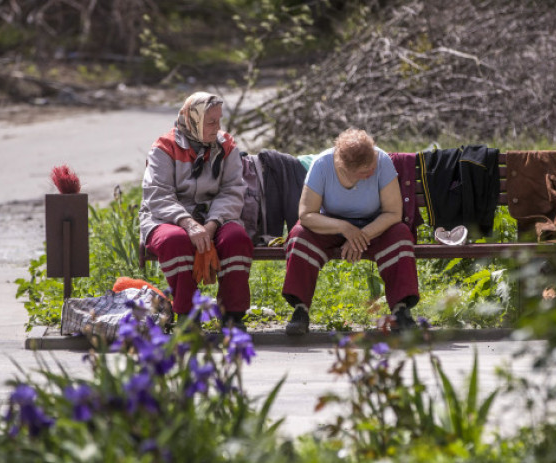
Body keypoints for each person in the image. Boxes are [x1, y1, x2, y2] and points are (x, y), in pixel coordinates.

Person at [281, 128, 420, 335]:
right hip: (331, 225)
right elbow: (307, 215)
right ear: (344, 168)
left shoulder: (382, 161)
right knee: (300, 235)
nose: (371, 172)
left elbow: (393, 213)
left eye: (372, 166)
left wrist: (360, 236)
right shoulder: (322, 165)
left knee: (400, 233)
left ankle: (401, 310)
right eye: (365, 172)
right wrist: (345, 228)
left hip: (375, 226)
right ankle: (300, 310)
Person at [139, 91, 253, 329]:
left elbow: (233, 190)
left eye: (219, 120)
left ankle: (232, 315)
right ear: (193, 120)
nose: (217, 127)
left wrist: (211, 225)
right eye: (211, 122)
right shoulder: (164, 147)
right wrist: (188, 223)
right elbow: (157, 195)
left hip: (215, 218)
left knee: (236, 239)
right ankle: (187, 315)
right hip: (167, 219)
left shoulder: (227, 146)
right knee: (175, 241)